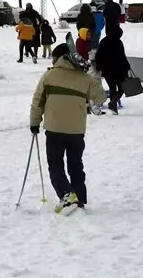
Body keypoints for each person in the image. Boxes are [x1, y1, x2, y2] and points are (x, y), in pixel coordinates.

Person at [29, 43, 106, 211]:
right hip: (76, 131)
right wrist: (90, 76)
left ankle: (66, 195)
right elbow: (100, 97)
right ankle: (79, 198)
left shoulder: (49, 76)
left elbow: (38, 102)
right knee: (76, 164)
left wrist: (35, 122)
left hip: (54, 129)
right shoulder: (85, 78)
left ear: (59, 58)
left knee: (55, 164)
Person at [95, 25, 131, 113]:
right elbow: (122, 56)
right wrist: (127, 66)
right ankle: (113, 103)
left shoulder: (103, 41)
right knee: (122, 88)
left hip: (107, 70)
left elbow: (98, 55)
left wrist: (99, 67)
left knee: (112, 88)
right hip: (118, 70)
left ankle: (113, 105)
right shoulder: (118, 42)